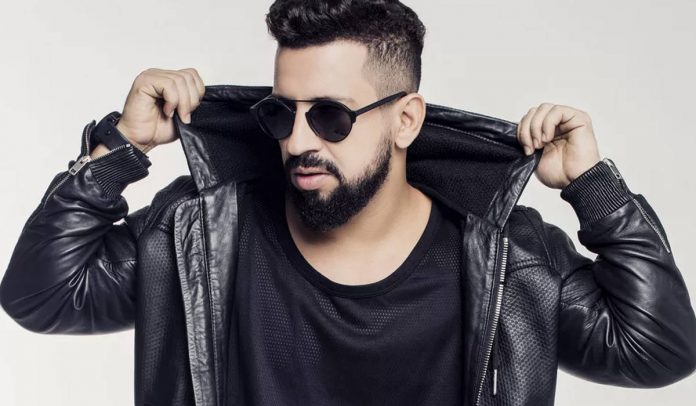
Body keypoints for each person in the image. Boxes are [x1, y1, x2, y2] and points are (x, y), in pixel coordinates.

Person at [1, 1, 695, 405]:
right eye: (282, 113)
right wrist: (120, 148)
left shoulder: (509, 255)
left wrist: (593, 188)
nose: (299, 141)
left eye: (331, 116)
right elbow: (41, 296)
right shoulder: (199, 231)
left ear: (406, 120)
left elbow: (659, 349)